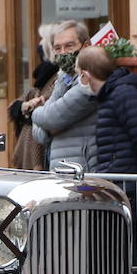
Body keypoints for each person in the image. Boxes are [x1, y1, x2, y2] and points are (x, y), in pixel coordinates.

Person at [89, 44, 137, 216]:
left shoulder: (124, 94)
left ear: (86, 75)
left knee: (124, 240)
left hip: (131, 189)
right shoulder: (112, 95)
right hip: (122, 186)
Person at [30, 21, 98, 170]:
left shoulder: (90, 80)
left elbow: (50, 118)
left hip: (83, 172)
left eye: (69, 46)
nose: (63, 52)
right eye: (57, 48)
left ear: (85, 46)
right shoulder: (62, 79)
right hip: (61, 170)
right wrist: (48, 126)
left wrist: (35, 113)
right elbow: (39, 136)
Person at [9, 24, 58, 171]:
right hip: (32, 149)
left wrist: (28, 109)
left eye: (43, 41)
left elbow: (45, 111)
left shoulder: (58, 79)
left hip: (46, 152)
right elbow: (13, 106)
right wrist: (25, 107)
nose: (40, 45)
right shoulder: (42, 80)